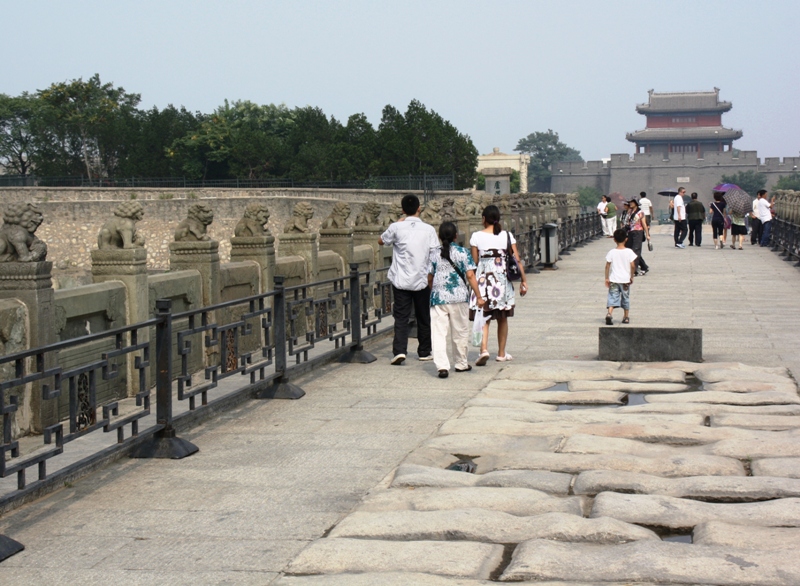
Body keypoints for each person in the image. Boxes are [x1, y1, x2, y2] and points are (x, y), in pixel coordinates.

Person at [379, 194, 440, 365]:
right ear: (419, 209)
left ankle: (399, 351)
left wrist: (397, 224)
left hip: (401, 279)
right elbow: (435, 252)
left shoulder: (396, 227)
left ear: (403, 210)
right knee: (423, 316)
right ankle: (424, 351)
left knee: (401, 316)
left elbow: (381, 241)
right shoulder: (428, 230)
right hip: (422, 279)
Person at [469, 205, 528, 365]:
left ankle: (484, 349)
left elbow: (474, 261)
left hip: (483, 280)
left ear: (483, 219)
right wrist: (524, 281)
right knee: (502, 318)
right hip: (501, 280)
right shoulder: (507, 236)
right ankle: (501, 353)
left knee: (484, 317)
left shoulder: (476, 236)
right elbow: (517, 259)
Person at [428, 222, 485, 378]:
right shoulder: (463, 252)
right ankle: (461, 363)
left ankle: (442, 366)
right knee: (460, 331)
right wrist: (479, 296)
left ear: (439, 236)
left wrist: (434, 290)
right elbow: (470, 275)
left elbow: (430, 277)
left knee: (438, 333)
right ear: (456, 236)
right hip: (459, 297)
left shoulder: (433, 254)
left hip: (438, 298)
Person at [604, 228, 637, 325]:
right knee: (625, 297)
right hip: (625, 280)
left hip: (614, 279)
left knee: (612, 296)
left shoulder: (612, 252)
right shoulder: (629, 252)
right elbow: (632, 265)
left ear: (614, 239)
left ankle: (609, 313)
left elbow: (607, 265)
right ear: (626, 239)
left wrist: (606, 278)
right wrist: (632, 276)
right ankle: (626, 317)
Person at [624, 199, 650, 275]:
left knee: (636, 250)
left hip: (638, 232)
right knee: (629, 249)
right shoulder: (629, 212)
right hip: (630, 232)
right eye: (630, 202)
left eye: (632, 202)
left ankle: (634, 270)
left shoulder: (640, 213)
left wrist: (647, 234)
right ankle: (644, 266)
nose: (631, 204)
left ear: (636, 204)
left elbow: (644, 224)